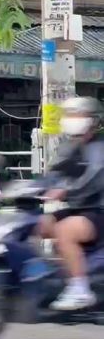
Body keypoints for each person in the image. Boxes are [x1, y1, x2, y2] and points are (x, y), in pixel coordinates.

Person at [37, 97, 104, 310]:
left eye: (78, 115)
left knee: (64, 230)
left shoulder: (99, 147)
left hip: (98, 211)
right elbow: (54, 173)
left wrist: (65, 190)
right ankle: (45, 278)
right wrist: (30, 188)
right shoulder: (68, 146)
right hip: (77, 210)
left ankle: (80, 290)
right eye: (70, 115)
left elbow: (93, 178)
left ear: (93, 120)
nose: (72, 120)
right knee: (36, 224)